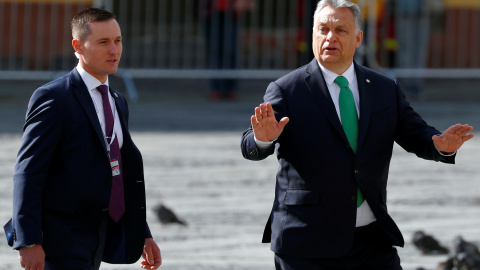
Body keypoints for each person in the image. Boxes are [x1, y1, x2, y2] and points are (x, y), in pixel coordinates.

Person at [240, 0, 473, 269]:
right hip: (306, 240)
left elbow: (415, 132)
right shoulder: (287, 90)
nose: (330, 37)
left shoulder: (384, 89)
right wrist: (263, 139)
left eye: (341, 30)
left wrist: (441, 145)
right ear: (313, 33)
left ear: (358, 38)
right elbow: (250, 144)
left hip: (372, 240)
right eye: (323, 29)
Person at [7, 8, 161, 270]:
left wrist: (142, 232)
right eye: (103, 42)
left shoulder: (117, 100)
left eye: (118, 40)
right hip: (59, 239)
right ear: (78, 46)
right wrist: (28, 240)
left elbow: (118, 169)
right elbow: (28, 172)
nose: (114, 50)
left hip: (97, 236)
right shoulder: (53, 98)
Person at [200, 0, 254, 100]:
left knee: (231, 50)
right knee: (214, 50)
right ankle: (217, 88)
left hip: (231, 11)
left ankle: (231, 88)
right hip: (211, 11)